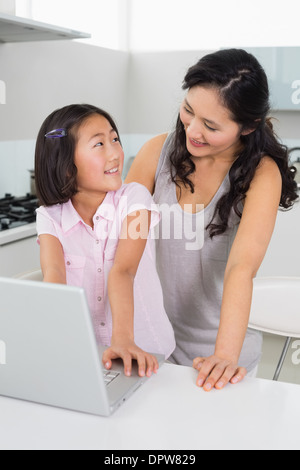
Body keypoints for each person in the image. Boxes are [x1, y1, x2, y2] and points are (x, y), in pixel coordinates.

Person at [126, 49, 298, 391]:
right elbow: (123, 249)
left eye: (211, 125)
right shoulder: (154, 154)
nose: (192, 130)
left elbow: (241, 268)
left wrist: (224, 356)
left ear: (247, 127)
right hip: (150, 343)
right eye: (189, 111)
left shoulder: (261, 174)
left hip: (219, 352)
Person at [34, 104, 176, 378]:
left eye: (114, 139)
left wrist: (122, 340)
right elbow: (54, 275)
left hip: (147, 353)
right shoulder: (49, 218)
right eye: (99, 144)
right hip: (88, 357)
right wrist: (46, 339)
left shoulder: (136, 200)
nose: (115, 153)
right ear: (65, 166)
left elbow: (124, 270)